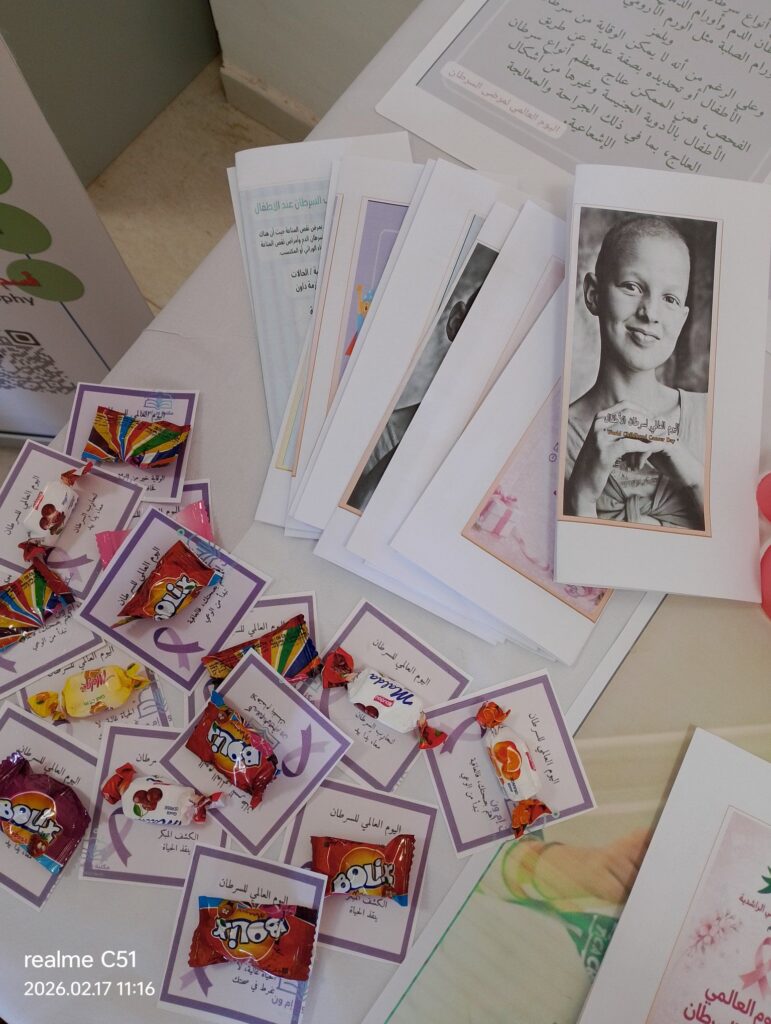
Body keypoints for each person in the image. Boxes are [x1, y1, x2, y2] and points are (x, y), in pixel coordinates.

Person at [564, 215, 707, 530]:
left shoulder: (712, 416)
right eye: (632, 287)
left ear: (682, 318)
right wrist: (581, 499)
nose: (650, 313)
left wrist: (697, 478)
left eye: (669, 299)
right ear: (593, 294)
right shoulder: (555, 437)